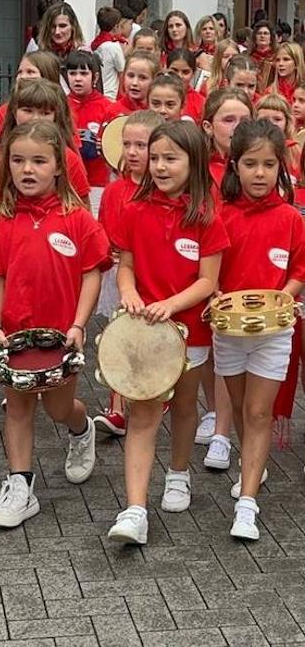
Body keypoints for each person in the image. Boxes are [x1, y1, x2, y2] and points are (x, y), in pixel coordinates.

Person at [0, 120, 109, 527]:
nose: (27, 169)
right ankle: (20, 486)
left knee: (57, 408)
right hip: (15, 336)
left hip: (61, 338)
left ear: (59, 165)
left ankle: (81, 428)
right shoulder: (2, 222)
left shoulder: (77, 219)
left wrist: (78, 323)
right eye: (18, 160)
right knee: (18, 408)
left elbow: (92, 271)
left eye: (39, 160)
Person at [108, 121, 229, 545]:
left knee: (182, 407)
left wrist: (171, 304)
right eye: (154, 157)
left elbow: (208, 280)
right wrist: (128, 293)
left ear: (193, 162)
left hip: (189, 332)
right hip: (143, 331)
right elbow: (125, 265)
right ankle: (135, 509)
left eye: (170, 158)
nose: (159, 165)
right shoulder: (133, 209)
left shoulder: (206, 215)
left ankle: (178, 473)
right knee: (142, 414)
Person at [215, 120, 305, 540]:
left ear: (280, 168)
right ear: (235, 165)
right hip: (229, 331)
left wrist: (282, 297)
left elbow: (299, 269)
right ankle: (254, 459)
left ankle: (247, 503)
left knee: (257, 412)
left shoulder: (290, 218)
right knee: (237, 409)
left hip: (273, 333)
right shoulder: (221, 214)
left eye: (268, 164)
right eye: (250, 163)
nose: (259, 173)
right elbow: (209, 270)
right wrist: (215, 294)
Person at [94, 110, 163, 435]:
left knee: (152, 341)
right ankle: (117, 407)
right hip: (120, 275)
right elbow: (104, 230)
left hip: (154, 276)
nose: (132, 152)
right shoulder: (114, 191)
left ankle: (155, 393)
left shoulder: (163, 190)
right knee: (119, 338)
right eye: (127, 144)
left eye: (141, 144)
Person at [196, 88, 253, 463]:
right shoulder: (200, 169)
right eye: (228, 120)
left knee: (233, 347)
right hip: (206, 265)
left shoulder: (255, 164)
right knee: (209, 348)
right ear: (208, 126)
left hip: (243, 265)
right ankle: (216, 410)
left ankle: (225, 429)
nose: (236, 128)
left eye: (243, 120)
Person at [0, 79, 90, 221]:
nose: (35, 118)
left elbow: (83, 206)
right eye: (28, 111)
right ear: (14, 112)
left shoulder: (68, 158)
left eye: (45, 113)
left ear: (55, 116)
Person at [65, 49, 114, 215]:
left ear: (95, 77)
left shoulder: (108, 107)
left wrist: (102, 145)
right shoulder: (60, 105)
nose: (78, 78)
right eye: (72, 73)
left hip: (97, 182)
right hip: (67, 182)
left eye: (84, 73)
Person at [0, 51, 62, 153]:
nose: (22, 77)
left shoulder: (61, 109)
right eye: (20, 72)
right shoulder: (4, 111)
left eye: (30, 72)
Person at [255, 94, 301, 181]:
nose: (271, 124)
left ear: (287, 122)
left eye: (277, 119)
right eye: (264, 119)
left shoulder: (294, 150)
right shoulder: (247, 148)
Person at [104, 50, 158, 120]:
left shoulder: (158, 111)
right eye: (131, 76)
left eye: (143, 78)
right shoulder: (112, 111)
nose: (134, 83)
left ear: (155, 80)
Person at [91, 6, 126, 100]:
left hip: (98, 92)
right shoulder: (114, 47)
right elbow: (122, 72)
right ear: (116, 27)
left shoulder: (95, 44)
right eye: (121, 26)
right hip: (111, 95)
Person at [36, 1, 85, 69]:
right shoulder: (39, 58)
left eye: (62, 26)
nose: (57, 32)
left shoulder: (84, 55)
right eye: (53, 26)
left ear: (73, 26)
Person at [166, 48, 205, 122]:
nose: (179, 76)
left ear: (193, 73)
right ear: (166, 69)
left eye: (185, 72)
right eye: (174, 70)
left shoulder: (200, 102)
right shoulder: (155, 94)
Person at [248, 20, 278, 93]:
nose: (262, 36)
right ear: (255, 38)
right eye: (259, 33)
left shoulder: (277, 57)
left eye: (266, 33)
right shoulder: (248, 57)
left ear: (271, 38)